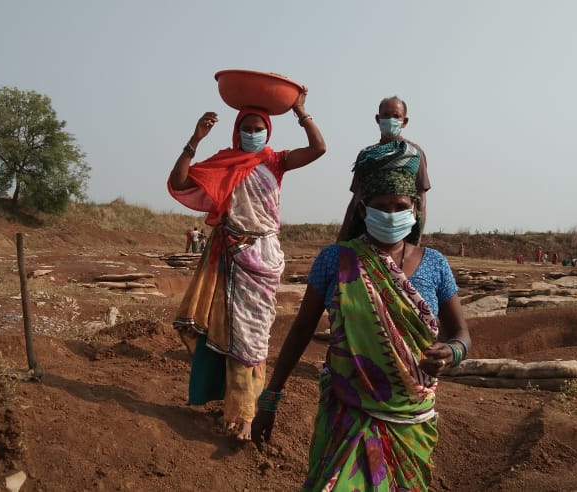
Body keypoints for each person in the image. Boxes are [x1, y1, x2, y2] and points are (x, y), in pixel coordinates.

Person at [252, 146, 470, 490]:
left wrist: (452, 351)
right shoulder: (335, 260)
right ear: (363, 209)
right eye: (381, 207)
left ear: (414, 210)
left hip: (410, 421)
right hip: (347, 414)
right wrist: (271, 397)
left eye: (400, 207)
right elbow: (300, 331)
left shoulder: (435, 264)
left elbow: (461, 333)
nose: (391, 214)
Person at [168, 91, 326, 441]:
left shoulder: (276, 161)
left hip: (265, 257)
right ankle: (241, 412)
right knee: (232, 332)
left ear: (267, 132)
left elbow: (318, 149)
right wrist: (194, 140)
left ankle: (245, 411)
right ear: (237, 132)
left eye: (258, 128)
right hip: (229, 257)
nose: (252, 133)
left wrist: (300, 111)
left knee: (255, 333)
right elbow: (179, 182)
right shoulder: (224, 162)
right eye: (246, 128)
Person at [337, 96, 430, 245]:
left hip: (401, 229)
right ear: (378, 118)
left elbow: (421, 198)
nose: (390, 120)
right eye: (386, 115)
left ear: (404, 121)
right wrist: (343, 236)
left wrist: (417, 238)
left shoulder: (413, 153)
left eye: (396, 116)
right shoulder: (367, 156)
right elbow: (356, 198)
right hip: (370, 226)